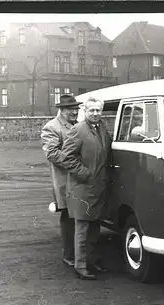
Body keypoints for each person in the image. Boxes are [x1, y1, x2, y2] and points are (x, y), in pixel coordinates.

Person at [60, 97, 112, 280]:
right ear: (85, 111)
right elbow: (66, 157)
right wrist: (84, 173)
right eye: (92, 111)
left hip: (97, 187)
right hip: (82, 188)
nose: (96, 114)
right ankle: (80, 266)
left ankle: (92, 261)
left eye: (98, 110)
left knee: (94, 226)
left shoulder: (102, 128)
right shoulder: (78, 130)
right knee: (82, 228)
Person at [40, 94, 81, 267]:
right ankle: (69, 255)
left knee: (81, 216)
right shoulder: (52, 127)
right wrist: (76, 163)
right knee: (69, 217)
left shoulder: (78, 125)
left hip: (80, 178)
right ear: (62, 110)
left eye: (76, 109)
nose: (75, 112)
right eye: (71, 109)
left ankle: (81, 254)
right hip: (66, 179)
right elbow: (52, 154)